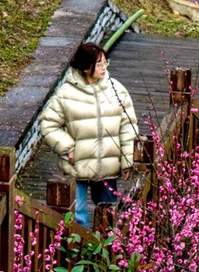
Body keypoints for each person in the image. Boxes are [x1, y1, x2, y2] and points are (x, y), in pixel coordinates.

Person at [40, 41, 138, 229]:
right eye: (99, 64)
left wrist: (128, 160)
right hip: (77, 165)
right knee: (77, 220)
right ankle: (75, 256)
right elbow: (49, 124)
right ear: (86, 67)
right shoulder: (66, 94)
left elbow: (128, 127)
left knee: (109, 219)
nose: (104, 67)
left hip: (108, 166)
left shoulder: (116, 90)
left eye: (105, 62)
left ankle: (104, 258)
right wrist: (67, 148)